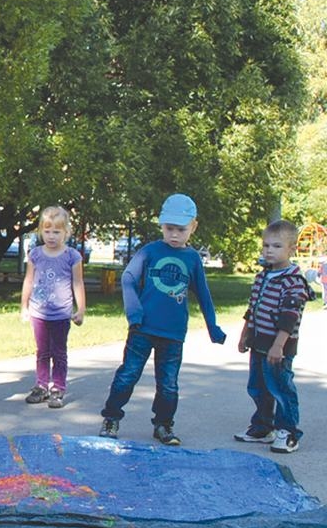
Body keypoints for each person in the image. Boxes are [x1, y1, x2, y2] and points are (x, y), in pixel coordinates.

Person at [98, 193, 227, 445]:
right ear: (162, 225)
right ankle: (111, 418)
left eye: (181, 229)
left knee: (168, 384)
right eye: (169, 228)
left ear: (193, 226)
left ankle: (164, 425)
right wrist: (134, 312)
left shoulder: (192, 259)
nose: (174, 235)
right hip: (142, 329)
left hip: (173, 334)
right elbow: (128, 279)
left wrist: (213, 326)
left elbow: (203, 294)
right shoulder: (150, 252)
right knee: (128, 375)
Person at [234, 220, 315, 453]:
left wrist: (278, 346)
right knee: (258, 388)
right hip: (258, 344)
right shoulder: (262, 277)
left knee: (281, 389)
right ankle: (262, 427)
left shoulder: (293, 282)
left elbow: (289, 318)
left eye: (277, 246)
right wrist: (245, 335)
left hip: (278, 348)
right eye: (266, 245)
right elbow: (252, 310)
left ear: (292, 249)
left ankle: (288, 431)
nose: (269, 250)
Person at [20, 206, 86, 409]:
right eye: (47, 231)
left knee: (58, 352)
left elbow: (78, 283)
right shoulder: (36, 254)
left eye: (56, 232)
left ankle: (57, 388)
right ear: (41, 231)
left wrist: (80, 309)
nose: (51, 236)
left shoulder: (72, 256)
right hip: (39, 312)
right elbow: (29, 280)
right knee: (42, 351)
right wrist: (24, 306)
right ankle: (41, 385)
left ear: (66, 232)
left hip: (60, 313)